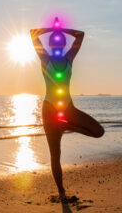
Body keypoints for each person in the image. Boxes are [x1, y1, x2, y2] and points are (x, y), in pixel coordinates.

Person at [30, 17, 104, 201]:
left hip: (68, 109)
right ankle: (62, 193)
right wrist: (55, 29)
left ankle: (67, 127)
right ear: (51, 44)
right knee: (55, 156)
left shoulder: (69, 57)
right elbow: (33, 34)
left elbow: (80, 35)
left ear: (63, 44)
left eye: (59, 41)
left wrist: (60, 30)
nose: (57, 43)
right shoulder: (44, 58)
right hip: (49, 111)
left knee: (98, 131)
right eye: (54, 41)